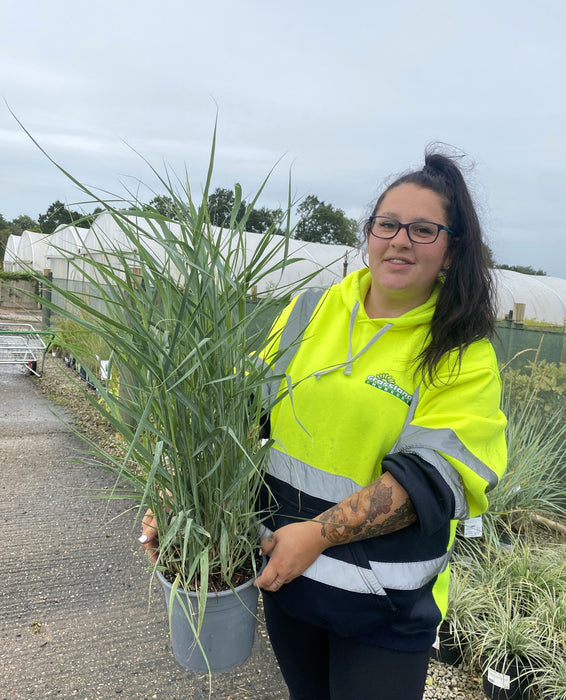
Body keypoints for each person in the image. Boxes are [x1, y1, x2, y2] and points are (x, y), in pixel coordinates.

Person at [140, 149, 507, 700]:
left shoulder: (459, 351)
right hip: (290, 583)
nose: (400, 239)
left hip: (384, 609)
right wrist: (180, 501)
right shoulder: (313, 309)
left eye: (424, 229)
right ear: (369, 233)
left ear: (452, 251)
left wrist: (318, 535)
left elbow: (434, 480)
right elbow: (243, 415)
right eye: (387, 223)